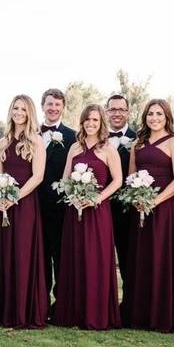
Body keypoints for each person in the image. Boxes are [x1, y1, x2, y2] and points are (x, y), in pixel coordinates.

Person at [52, 104, 122, 330]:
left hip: (98, 211)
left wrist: (97, 198)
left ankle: (96, 313)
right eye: (87, 120)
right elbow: (64, 178)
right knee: (75, 258)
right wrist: (72, 196)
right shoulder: (74, 148)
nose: (91, 124)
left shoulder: (108, 148)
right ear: (81, 122)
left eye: (95, 120)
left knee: (96, 259)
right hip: (74, 211)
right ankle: (73, 313)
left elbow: (118, 181)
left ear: (101, 122)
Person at [121, 99, 174, 333]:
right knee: (141, 258)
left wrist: (155, 201)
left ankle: (162, 314)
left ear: (167, 116)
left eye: (159, 113)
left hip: (165, 208)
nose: (154, 118)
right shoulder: (137, 144)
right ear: (145, 117)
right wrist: (137, 199)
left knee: (161, 258)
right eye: (150, 114)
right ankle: (139, 314)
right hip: (139, 208)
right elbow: (131, 176)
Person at [0, 94, 48, 329]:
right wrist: (0, 197)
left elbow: (38, 176)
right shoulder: (3, 142)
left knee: (22, 254)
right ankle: (4, 311)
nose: (18, 112)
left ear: (30, 112)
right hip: (4, 205)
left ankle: (23, 312)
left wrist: (14, 198)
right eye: (15, 108)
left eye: (23, 109)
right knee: (5, 253)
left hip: (25, 205)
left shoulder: (36, 141)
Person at [36, 88, 77, 305]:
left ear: (63, 108)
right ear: (42, 106)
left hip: (60, 207)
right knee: (38, 256)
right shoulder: (31, 132)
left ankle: (61, 302)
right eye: (49, 104)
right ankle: (40, 302)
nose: (53, 108)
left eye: (57, 105)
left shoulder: (72, 136)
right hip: (33, 204)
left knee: (60, 256)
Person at [105, 94, 136, 303]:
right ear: (107, 112)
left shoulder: (139, 138)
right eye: (112, 109)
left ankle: (129, 305)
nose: (117, 113)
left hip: (128, 211)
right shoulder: (96, 138)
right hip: (100, 209)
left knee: (129, 260)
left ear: (128, 112)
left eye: (121, 109)